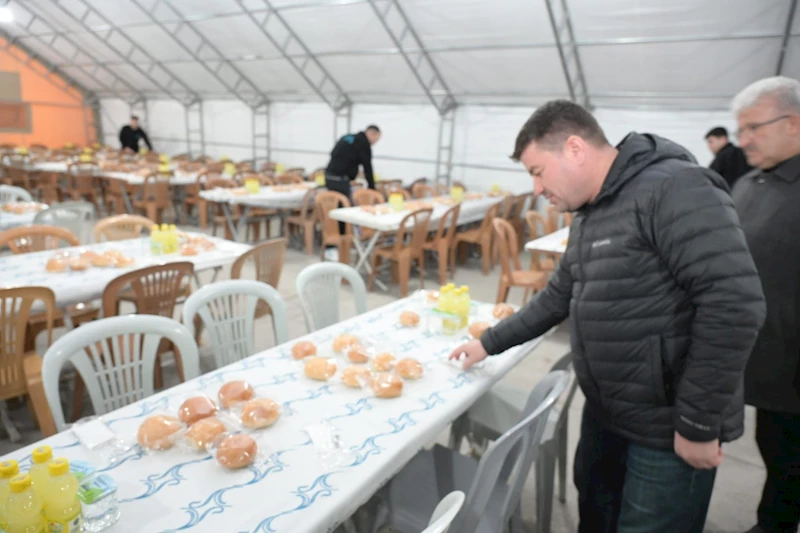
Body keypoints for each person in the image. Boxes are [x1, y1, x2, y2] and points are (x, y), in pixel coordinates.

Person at [449, 100, 766, 533]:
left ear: (575, 148)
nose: (537, 189)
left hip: (666, 424)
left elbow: (733, 302)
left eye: (538, 171)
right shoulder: (590, 212)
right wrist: (487, 342)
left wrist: (698, 423)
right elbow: (556, 297)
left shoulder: (675, 187)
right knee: (596, 515)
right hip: (608, 410)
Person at [729, 76, 800, 533]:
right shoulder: (750, 182)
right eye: (740, 130)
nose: (743, 140)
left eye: (754, 128)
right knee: (776, 449)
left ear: (793, 123)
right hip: (765, 361)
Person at [324, 125, 381, 256]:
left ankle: (332, 240)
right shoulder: (363, 143)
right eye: (376, 139)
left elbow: (333, 153)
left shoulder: (348, 137)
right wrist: (373, 188)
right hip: (339, 179)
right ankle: (340, 243)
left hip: (329, 176)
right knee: (342, 211)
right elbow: (368, 168)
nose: (375, 143)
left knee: (333, 210)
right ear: (371, 134)